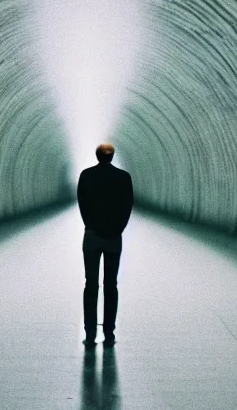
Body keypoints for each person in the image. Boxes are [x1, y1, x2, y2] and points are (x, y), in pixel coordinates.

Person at [77, 143, 133, 349]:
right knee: (111, 285)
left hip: (91, 237)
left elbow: (82, 203)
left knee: (90, 285)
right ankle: (109, 331)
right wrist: (117, 229)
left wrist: (91, 226)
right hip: (113, 239)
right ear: (112, 156)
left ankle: (90, 331)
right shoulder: (124, 177)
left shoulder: (86, 175)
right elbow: (128, 206)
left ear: (97, 155)